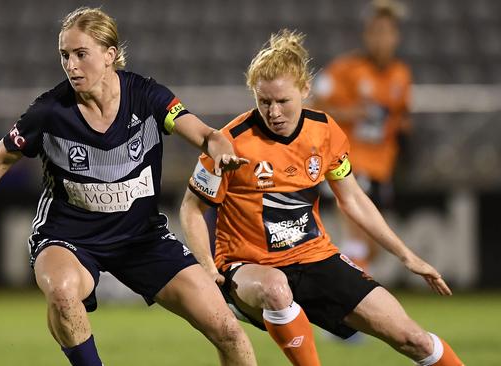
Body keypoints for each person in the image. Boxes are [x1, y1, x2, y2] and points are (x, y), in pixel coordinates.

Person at [0, 7, 255, 366]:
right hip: (70, 237)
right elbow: (0, 157)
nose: (71, 65)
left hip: (141, 238)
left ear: (109, 55)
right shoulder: (49, 111)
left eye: (81, 54)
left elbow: (203, 133)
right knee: (63, 293)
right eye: (64, 56)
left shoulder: (147, 96)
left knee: (228, 331)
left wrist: (218, 144)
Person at [180, 29, 464, 366]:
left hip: (315, 258)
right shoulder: (229, 142)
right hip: (249, 267)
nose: (273, 112)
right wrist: (209, 270)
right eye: (264, 101)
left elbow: (353, 199)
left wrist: (406, 256)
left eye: (282, 101)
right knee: (275, 289)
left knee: (412, 338)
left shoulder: (325, 131)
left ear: (305, 90)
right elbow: (191, 209)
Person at [311, 0, 412, 271]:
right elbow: (315, 107)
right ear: (367, 35)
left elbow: (401, 115)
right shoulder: (345, 69)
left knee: (372, 248)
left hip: (382, 166)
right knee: (357, 235)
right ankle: (350, 296)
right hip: (350, 163)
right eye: (376, 32)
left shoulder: (401, 74)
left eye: (387, 33)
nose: (381, 40)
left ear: (396, 37)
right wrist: (350, 112)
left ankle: (339, 272)